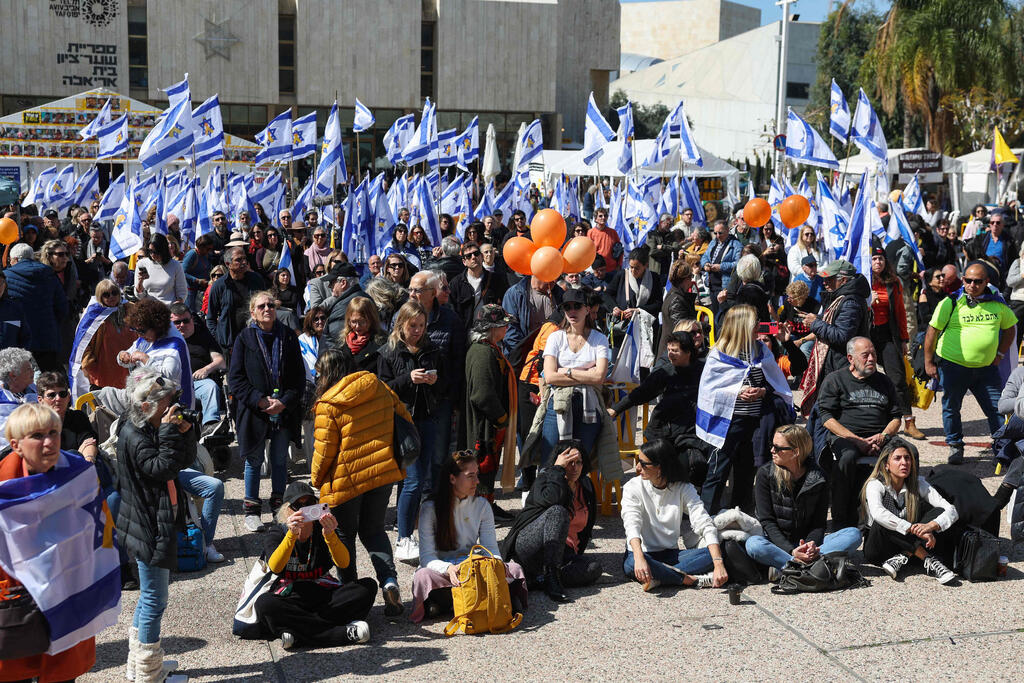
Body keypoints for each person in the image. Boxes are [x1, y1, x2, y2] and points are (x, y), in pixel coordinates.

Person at [0, 404, 101, 683]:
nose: (49, 442)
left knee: (61, 677)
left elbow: (99, 532)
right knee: (15, 675)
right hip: (16, 608)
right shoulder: (2, 488)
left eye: (54, 432)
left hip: (67, 599)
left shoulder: (77, 475)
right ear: (15, 444)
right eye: (37, 435)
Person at [311, 349, 409, 618]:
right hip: (381, 473)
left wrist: (315, 481)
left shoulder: (328, 404)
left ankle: (351, 595)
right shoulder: (378, 386)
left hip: (345, 480)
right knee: (374, 530)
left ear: (327, 374)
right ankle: (389, 582)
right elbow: (404, 418)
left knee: (343, 535)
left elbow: (324, 452)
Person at [115, 367, 194, 682]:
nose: (174, 405)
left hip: (152, 521)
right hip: (148, 526)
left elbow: (180, 462)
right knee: (154, 599)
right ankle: (150, 675)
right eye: (169, 401)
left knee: (149, 596)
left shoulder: (147, 426)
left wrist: (184, 431)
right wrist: (168, 431)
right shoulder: (136, 434)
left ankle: (141, 665)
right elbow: (161, 468)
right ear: (148, 406)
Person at [241, 481, 375, 649]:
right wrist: (291, 535)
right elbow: (276, 567)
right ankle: (340, 634)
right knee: (265, 604)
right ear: (287, 510)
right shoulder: (277, 532)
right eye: (298, 506)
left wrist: (330, 535)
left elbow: (344, 562)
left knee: (367, 587)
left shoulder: (322, 529)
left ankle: (297, 633)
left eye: (310, 504)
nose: (304, 510)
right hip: (290, 596)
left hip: (322, 593)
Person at [410, 451, 526, 622]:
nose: (477, 482)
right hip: (444, 571)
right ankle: (484, 600)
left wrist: (494, 566)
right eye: (471, 476)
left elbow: (491, 549)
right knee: (422, 577)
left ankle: (447, 605)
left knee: (514, 569)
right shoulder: (430, 508)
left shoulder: (482, 505)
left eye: (477, 475)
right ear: (452, 479)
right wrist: (448, 569)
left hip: (473, 567)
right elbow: (427, 558)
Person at [697, 305, 791, 514]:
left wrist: (762, 392)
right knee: (717, 472)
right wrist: (737, 392)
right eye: (754, 322)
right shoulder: (719, 354)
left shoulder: (761, 350)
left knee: (747, 473)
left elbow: (775, 383)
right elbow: (708, 391)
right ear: (742, 326)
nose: (759, 325)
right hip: (727, 422)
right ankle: (705, 524)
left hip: (755, 423)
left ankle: (740, 520)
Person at [923, 262, 1017, 464]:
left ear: (986, 282)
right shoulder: (951, 302)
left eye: (977, 281)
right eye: (968, 280)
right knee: (951, 408)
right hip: (953, 366)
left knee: (996, 409)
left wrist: (1000, 354)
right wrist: (928, 362)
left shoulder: (997, 303)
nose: (972, 285)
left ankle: (1000, 450)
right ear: (963, 280)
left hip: (986, 369)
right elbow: (932, 331)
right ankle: (955, 446)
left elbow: (1011, 328)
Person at [377, 301, 448, 563]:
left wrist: (434, 381)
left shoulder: (432, 350)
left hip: (427, 419)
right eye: (412, 326)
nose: (417, 331)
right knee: (412, 480)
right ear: (401, 325)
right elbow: (382, 390)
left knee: (419, 480)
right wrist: (409, 379)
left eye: (421, 326)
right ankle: (403, 537)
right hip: (402, 423)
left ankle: (406, 532)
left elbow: (445, 386)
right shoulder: (388, 352)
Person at [230, 291, 305, 531]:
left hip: (282, 409)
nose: (267, 309)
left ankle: (279, 507)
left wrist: (283, 402)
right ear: (252, 312)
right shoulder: (244, 339)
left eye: (270, 305)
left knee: (280, 460)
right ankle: (251, 511)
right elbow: (236, 379)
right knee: (253, 461)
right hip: (255, 411)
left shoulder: (288, 338)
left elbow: (298, 377)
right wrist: (260, 401)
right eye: (261, 306)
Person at [746, 425, 862, 580]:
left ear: (796, 452)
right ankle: (809, 566)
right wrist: (791, 550)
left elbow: (819, 523)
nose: (772, 451)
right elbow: (767, 521)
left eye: (778, 448)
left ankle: (790, 566)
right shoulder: (765, 474)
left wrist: (809, 547)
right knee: (753, 544)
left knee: (853, 535)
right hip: (777, 544)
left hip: (808, 544)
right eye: (772, 445)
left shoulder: (818, 477)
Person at [818, 337, 903, 529]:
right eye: (865, 355)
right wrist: (857, 441)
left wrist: (884, 436)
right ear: (851, 358)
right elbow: (827, 419)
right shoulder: (835, 380)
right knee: (845, 459)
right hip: (846, 436)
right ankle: (841, 520)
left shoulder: (884, 381)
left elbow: (896, 417)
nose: (871, 359)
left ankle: (902, 511)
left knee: (908, 454)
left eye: (873, 354)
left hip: (880, 436)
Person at [621, 439, 727, 591]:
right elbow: (632, 524)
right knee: (632, 565)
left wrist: (718, 564)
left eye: (644, 463)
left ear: (660, 467)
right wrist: (639, 557)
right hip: (642, 552)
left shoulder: (683, 488)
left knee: (717, 554)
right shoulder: (633, 487)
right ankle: (688, 580)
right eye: (638, 461)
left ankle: (660, 578)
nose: (637, 467)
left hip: (670, 555)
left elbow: (703, 521)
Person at [501, 440, 600, 602]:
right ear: (559, 462)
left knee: (594, 568)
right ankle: (551, 576)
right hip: (530, 547)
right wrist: (557, 470)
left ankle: (539, 579)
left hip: (561, 553)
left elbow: (586, 528)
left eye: (578, 462)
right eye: (569, 463)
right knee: (558, 511)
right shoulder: (545, 479)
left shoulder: (586, 486)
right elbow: (554, 500)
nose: (574, 467)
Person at [861, 438, 958, 584]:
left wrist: (931, 526)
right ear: (886, 465)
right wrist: (912, 529)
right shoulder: (875, 484)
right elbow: (878, 513)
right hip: (878, 549)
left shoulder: (918, 483)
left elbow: (951, 510)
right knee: (884, 519)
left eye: (907, 458)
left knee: (937, 510)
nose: (904, 462)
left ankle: (904, 555)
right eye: (897, 458)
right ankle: (929, 560)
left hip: (904, 543)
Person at [534, 288, 611, 466]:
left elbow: (600, 376)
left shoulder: (599, 339)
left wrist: (567, 371)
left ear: (586, 309)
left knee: (580, 463)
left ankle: (578, 495)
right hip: (558, 403)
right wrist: (587, 374)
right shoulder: (555, 338)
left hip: (589, 406)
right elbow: (551, 377)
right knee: (550, 460)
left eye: (577, 306)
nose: (572, 311)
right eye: (567, 307)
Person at [463, 304, 518, 515]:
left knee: (488, 467)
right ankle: (480, 512)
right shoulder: (482, 353)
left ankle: (485, 507)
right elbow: (482, 395)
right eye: (503, 325)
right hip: (484, 425)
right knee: (482, 466)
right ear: (491, 328)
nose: (506, 329)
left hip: (489, 423)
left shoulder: (488, 349)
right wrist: (502, 418)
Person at [797, 259, 871, 409]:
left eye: (829, 279)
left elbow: (842, 335)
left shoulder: (850, 302)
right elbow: (835, 322)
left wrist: (815, 323)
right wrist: (816, 319)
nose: (824, 282)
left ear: (843, 280)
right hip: (836, 363)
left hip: (842, 365)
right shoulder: (842, 297)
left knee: (831, 410)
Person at [869, 248, 922, 439]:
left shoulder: (893, 282)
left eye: (881, 258)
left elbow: (900, 311)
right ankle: (873, 421)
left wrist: (904, 339)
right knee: (867, 378)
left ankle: (908, 422)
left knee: (898, 378)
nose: (878, 262)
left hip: (886, 335)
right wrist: (868, 302)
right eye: (874, 259)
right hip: (866, 335)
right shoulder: (861, 282)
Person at [4, 242, 68, 371]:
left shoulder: (6, 277)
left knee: (20, 384)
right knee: (48, 382)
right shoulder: (49, 274)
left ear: (15, 260)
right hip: (47, 338)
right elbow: (62, 307)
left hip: (18, 341)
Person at [169, 303, 226, 436]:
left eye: (186, 321)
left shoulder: (203, 337)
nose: (182, 325)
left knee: (210, 386)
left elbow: (221, 362)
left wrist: (206, 369)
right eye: (177, 322)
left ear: (192, 320)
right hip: (175, 385)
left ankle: (210, 425)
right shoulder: (168, 341)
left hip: (199, 383)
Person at [206, 246, 267, 355]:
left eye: (244, 259)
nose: (243, 262)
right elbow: (210, 318)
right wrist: (220, 338)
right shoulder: (219, 286)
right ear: (228, 264)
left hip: (255, 339)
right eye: (238, 260)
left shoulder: (256, 280)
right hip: (230, 345)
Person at [449, 240, 508, 333]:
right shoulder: (456, 283)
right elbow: (452, 311)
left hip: (490, 334)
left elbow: (505, 306)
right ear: (464, 262)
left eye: (476, 254)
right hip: (465, 334)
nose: (473, 257)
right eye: (469, 256)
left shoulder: (496, 280)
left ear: (481, 256)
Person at [607, 246, 664, 324]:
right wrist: (614, 307)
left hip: (646, 325)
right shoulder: (622, 275)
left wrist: (638, 311)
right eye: (631, 267)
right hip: (624, 326)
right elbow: (607, 295)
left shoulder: (654, 278)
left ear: (645, 266)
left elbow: (658, 304)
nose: (633, 271)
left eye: (637, 268)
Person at [699, 219, 742, 315]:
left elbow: (739, 264)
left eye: (720, 233)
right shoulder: (713, 242)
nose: (718, 235)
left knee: (723, 315)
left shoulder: (736, 244)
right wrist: (705, 264)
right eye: (715, 233)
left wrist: (721, 267)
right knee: (714, 315)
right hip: (711, 284)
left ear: (727, 231)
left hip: (724, 286)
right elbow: (705, 256)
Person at [655, 260, 697, 357]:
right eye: (691, 277)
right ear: (686, 279)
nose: (691, 281)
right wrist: (702, 327)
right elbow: (682, 329)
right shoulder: (676, 300)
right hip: (673, 356)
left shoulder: (673, 294)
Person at [0, 346, 38, 451]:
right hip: (7, 451)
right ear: (13, 376)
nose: (33, 371)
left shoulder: (36, 390)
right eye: (28, 369)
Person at [135, 234, 188, 305]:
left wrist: (177, 306)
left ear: (163, 250)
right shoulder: (142, 264)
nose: (153, 255)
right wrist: (140, 282)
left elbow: (182, 292)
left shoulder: (175, 265)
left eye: (156, 252)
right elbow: (139, 296)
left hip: (169, 310)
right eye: (150, 251)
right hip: (148, 310)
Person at [0, 268, 31, 351]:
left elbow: (25, 337)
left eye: (1, 283)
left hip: (10, 360)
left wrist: (22, 357)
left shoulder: (15, 308)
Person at [181, 234, 213, 312]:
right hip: (190, 292)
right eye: (208, 249)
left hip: (200, 291)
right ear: (201, 247)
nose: (210, 251)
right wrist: (197, 280)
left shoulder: (205, 255)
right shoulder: (192, 254)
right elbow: (182, 272)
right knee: (192, 314)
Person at [916, 268, 947, 343]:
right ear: (929, 282)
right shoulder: (924, 296)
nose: (942, 278)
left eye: (943, 275)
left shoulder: (946, 296)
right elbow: (925, 318)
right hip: (927, 334)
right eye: (938, 277)